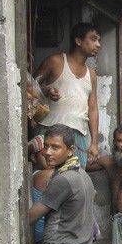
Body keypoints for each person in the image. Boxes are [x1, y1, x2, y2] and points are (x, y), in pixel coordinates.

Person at [35, 22, 101, 168]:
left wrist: (94, 143)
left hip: (77, 135)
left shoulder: (92, 74)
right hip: (49, 131)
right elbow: (31, 87)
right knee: (46, 176)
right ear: (78, 41)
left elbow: (93, 108)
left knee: (74, 177)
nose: (98, 44)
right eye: (93, 39)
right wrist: (46, 90)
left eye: (99, 40)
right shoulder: (55, 61)